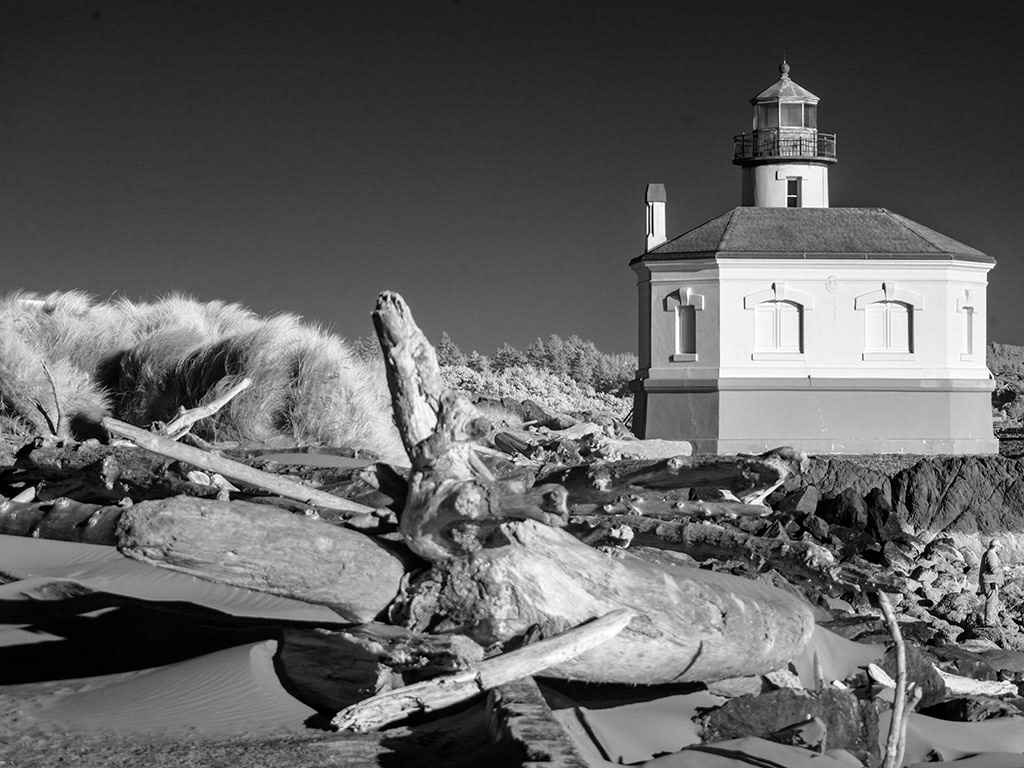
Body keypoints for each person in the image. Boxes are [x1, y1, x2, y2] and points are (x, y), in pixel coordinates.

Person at [979, 539, 1004, 627]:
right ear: (996, 547)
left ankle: (990, 620)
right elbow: (993, 569)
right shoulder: (991, 555)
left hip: (987, 581)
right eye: (999, 547)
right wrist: (1004, 569)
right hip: (990, 582)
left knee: (992, 600)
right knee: (991, 601)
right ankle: (989, 622)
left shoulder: (987, 553)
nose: (999, 549)